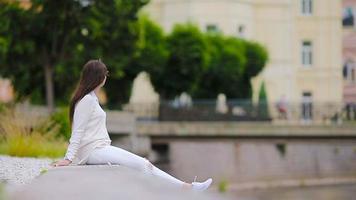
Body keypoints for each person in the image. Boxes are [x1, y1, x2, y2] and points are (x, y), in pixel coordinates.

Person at [52, 59, 212, 191]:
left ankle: (187, 187)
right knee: (142, 164)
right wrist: (68, 158)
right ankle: (187, 189)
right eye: (105, 75)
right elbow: (78, 131)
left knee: (144, 164)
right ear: (99, 78)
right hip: (92, 151)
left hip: (98, 148)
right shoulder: (87, 100)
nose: (106, 78)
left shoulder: (92, 97)